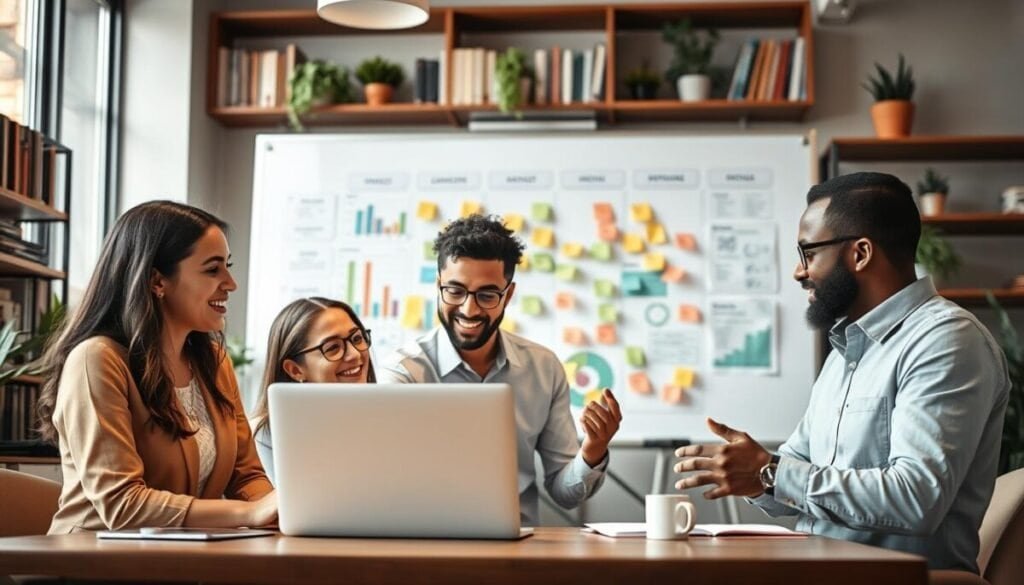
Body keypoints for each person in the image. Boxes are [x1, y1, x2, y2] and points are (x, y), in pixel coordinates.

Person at [674, 172, 1010, 573]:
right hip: (820, 572)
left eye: (808, 254)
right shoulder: (846, 351)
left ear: (861, 253)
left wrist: (770, 471)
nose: (799, 272)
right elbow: (793, 467)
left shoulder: (946, 341)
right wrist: (758, 477)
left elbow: (916, 498)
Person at [37, 200, 277, 533]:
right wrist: (248, 514)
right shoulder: (97, 360)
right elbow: (122, 506)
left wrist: (283, 509)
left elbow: (246, 475)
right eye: (212, 269)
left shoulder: (213, 364)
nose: (230, 283)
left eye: (228, 266)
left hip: (179, 559)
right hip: (94, 562)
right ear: (157, 281)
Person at [379, 214, 623, 525]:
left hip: (516, 549)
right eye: (454, 291)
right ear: (438, 285)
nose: (469, 309)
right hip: (427, 541)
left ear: (508, 294)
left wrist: (593, 449)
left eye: (487, 295)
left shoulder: (543, 369)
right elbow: (387, 484)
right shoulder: (402, 375)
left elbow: (564, 493)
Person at [251, 297, 376, 482]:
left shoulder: (385, 418)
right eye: (333, 347)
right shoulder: (270, 434)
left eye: (357, 338)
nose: (355, 354)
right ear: (295, 370)